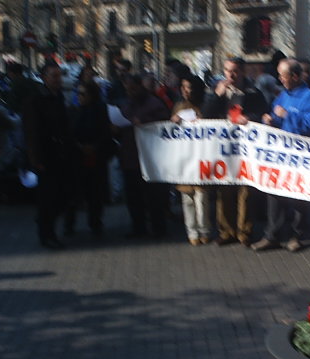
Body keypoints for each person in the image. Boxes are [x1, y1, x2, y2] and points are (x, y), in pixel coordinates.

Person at [252, 58, 310, 252]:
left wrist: (288, 117)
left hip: (300, 156)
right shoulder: (282, 95)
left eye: (283, 75)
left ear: (295, 76)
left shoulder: (309, 97)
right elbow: (276, 117)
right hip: (280, 155)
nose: (280, 79)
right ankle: (272, 234)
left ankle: (296, 235)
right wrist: (270, 120)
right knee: (273, 193)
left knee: (298, 195)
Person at [202, 56, 268, 247]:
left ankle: (244, 232)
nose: (230, 74)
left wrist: (249, 118)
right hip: (224, 150)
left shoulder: (253, 92)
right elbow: (206, 115)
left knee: (245, 192)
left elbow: (263, 114)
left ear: (242, 72)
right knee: (225, 191)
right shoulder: (217, 90)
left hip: (245, 151)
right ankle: (226, 231)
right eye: (227, 70)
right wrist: (217, 95)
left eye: (234, 71)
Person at [22, 62, 77, 249]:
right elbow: (31, 131)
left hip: (62, 155)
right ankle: (47, 234)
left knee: (64, 195)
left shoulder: (59, 97)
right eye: (53, 76)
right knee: (48, 198)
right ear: (44, 77)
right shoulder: (35, 100)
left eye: (59, 76)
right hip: (46, 156)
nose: (57, 79)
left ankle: (47, 224)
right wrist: (35, 159)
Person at [117, 74, 171, 239]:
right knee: (133, 197)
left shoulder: (154, 104)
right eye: (127, 89)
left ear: (140, 87)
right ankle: (138, 227)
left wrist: (144, 121)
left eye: (133, 88)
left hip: (149, 158)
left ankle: (158, 228)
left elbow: (163, 124)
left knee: (153, 196)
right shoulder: (126, 104)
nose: (130, 92)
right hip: (130, 157)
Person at [64, 80, 114, 237]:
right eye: (77, 93)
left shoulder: (100, 110)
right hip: (77, 159)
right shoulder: (74, 111)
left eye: (83, 93)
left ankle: (95, 223)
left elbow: (106, 133)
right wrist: (79, 146)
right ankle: (69, 224)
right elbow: (69, 133)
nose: (79, 97)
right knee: (73, 193)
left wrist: (95, 147)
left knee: (95, 194)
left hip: (96, 157)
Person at [172, 74, 212, 246]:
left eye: (188, 87)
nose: (185, 90)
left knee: (201, 197)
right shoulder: (179, 106)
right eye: (183, 86)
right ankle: (192, 231)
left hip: (202, 157)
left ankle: (204, 230)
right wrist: (174, 120)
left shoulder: (205, 104)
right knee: (187, 197)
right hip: (185, 158)